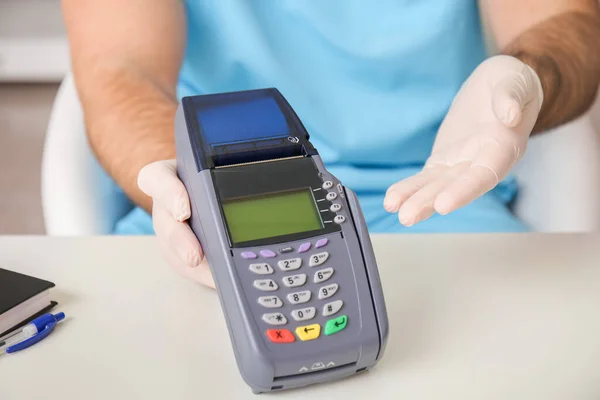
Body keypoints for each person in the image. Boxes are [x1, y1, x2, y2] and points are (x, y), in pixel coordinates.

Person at [62, 1, 600, 287]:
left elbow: (565, 21)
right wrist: (189, 195)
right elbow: (120, 69)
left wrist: (525, 77)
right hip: (218, 199)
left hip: (435, 193)